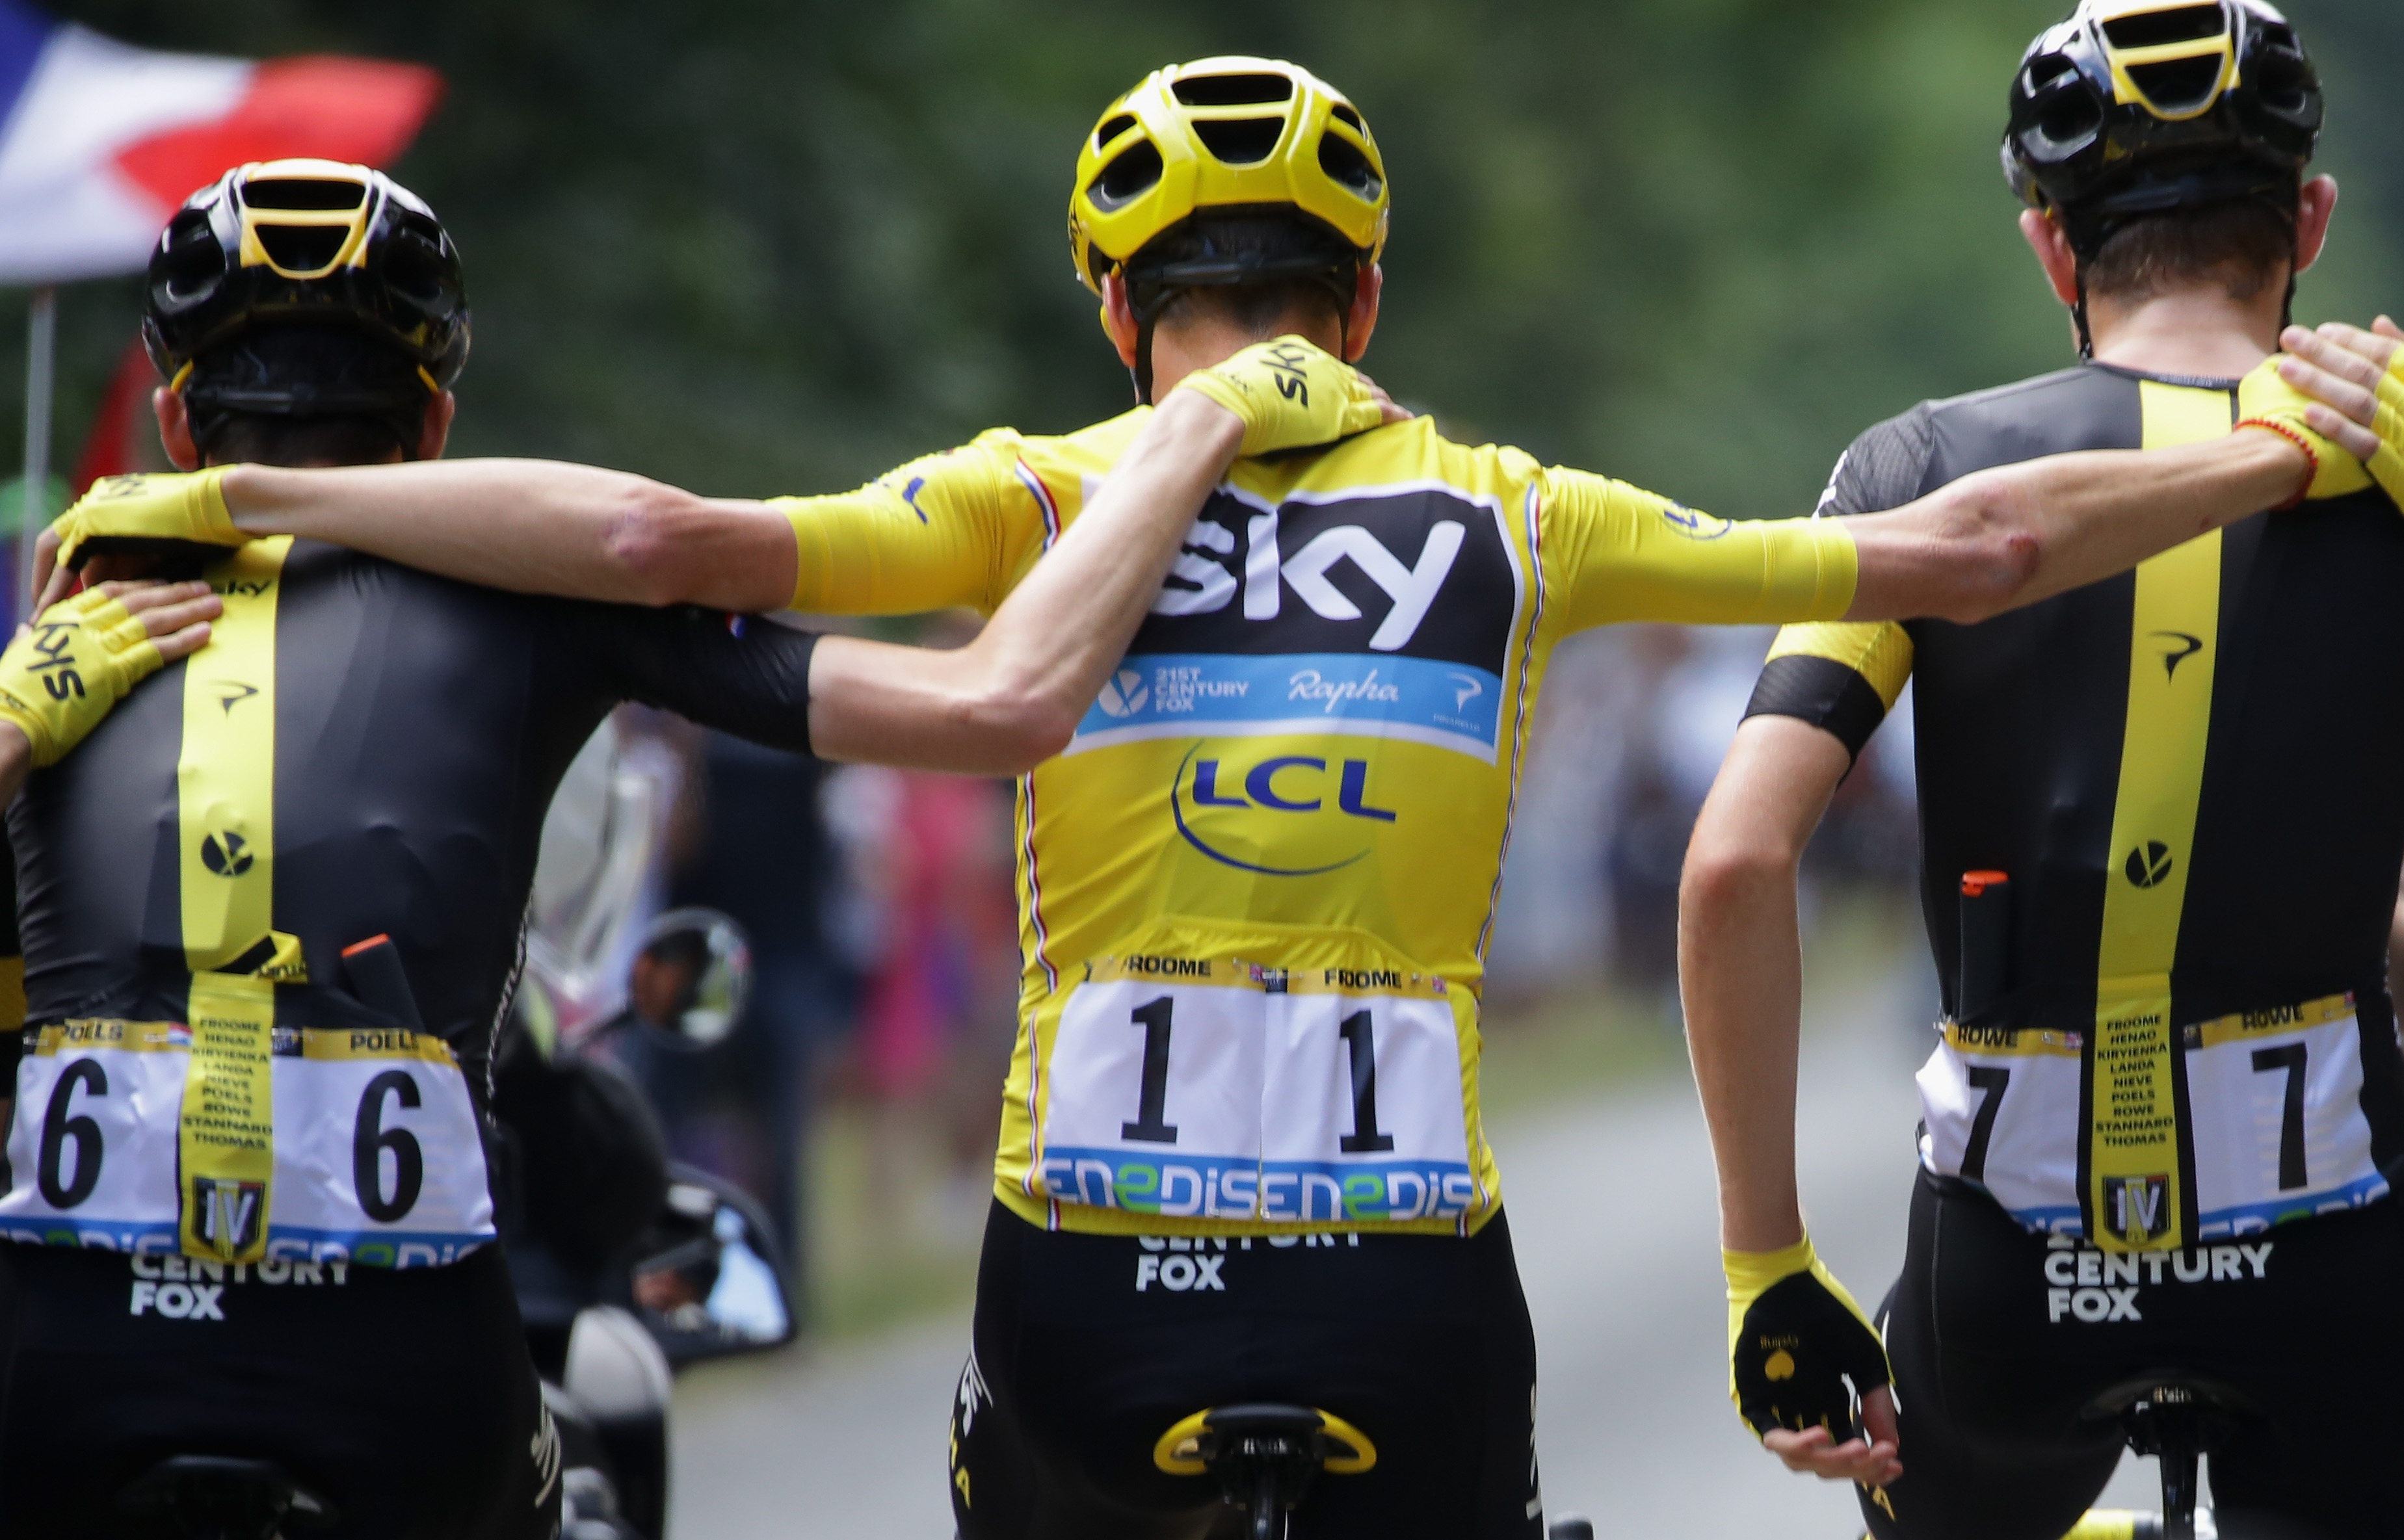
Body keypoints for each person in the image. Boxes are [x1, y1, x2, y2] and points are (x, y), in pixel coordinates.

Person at [40, 58, 2387, 1538]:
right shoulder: (1509, 507)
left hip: (1085, 1278)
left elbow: (668, 544)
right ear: (1357, 305)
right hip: (1408, 1294)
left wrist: (258, 507)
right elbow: (1971, 550)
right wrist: (2290, 443)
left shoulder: (1034, 489)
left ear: (1104, 301)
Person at [0, 156, 1397, 1539]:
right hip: (406, 1384)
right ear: (431, 426)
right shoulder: (533, 596)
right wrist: (1199, 447)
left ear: (177, 422)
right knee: (587, 1485)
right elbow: (989, 708)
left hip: (50, 1368)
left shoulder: (69, 609)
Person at [1678, 5, 2404, 1535]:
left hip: (2010, 1272)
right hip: (2339, 1250)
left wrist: (1768, 1270)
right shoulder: (2391, 457)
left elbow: (1736, 861)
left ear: (2050, 250)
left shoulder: (1921, 475)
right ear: (2313, 224)